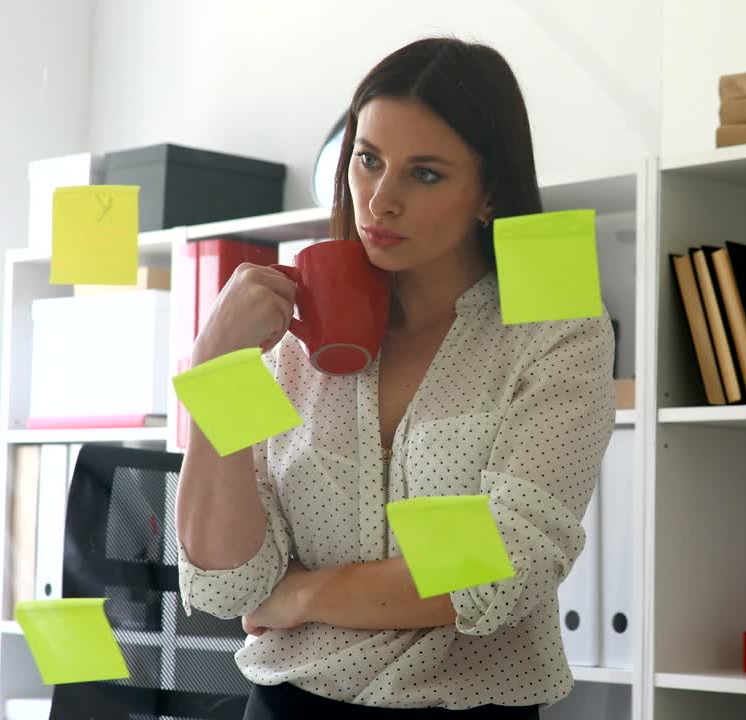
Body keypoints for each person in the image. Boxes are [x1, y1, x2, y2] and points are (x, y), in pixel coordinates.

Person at [174, 37, 616, 719]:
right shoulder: (295, 343)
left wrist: (303, 594)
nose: (379, 202)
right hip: (288, 704)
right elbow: (229, 585)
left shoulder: (557, 331)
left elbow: (502, 569)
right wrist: (214, 367)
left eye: (426, 174)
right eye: (367, 161)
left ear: (489, 192)